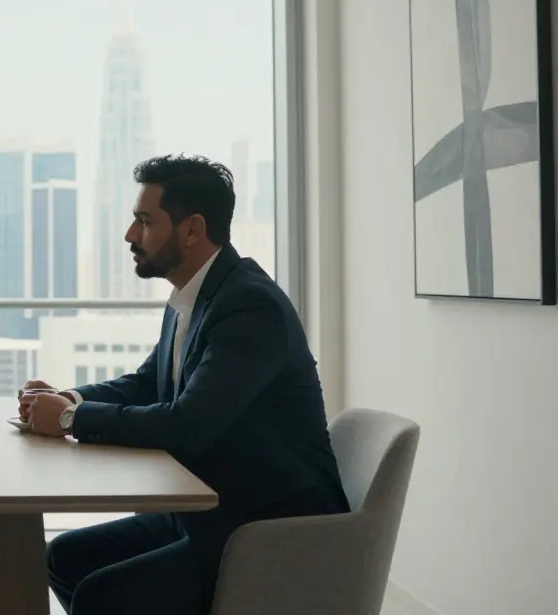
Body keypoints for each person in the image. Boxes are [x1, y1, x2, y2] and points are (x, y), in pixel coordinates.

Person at [19, 154, 349, 615]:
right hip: (205, 512)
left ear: (192, 229)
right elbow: (147, 384)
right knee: (64, 557)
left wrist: (72, 419)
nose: (131, 236)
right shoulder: (192, 296)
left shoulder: (250, 306)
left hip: (265, 526)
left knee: (102, 597)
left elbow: (185, 425)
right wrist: (67, 398)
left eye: (144, 221)